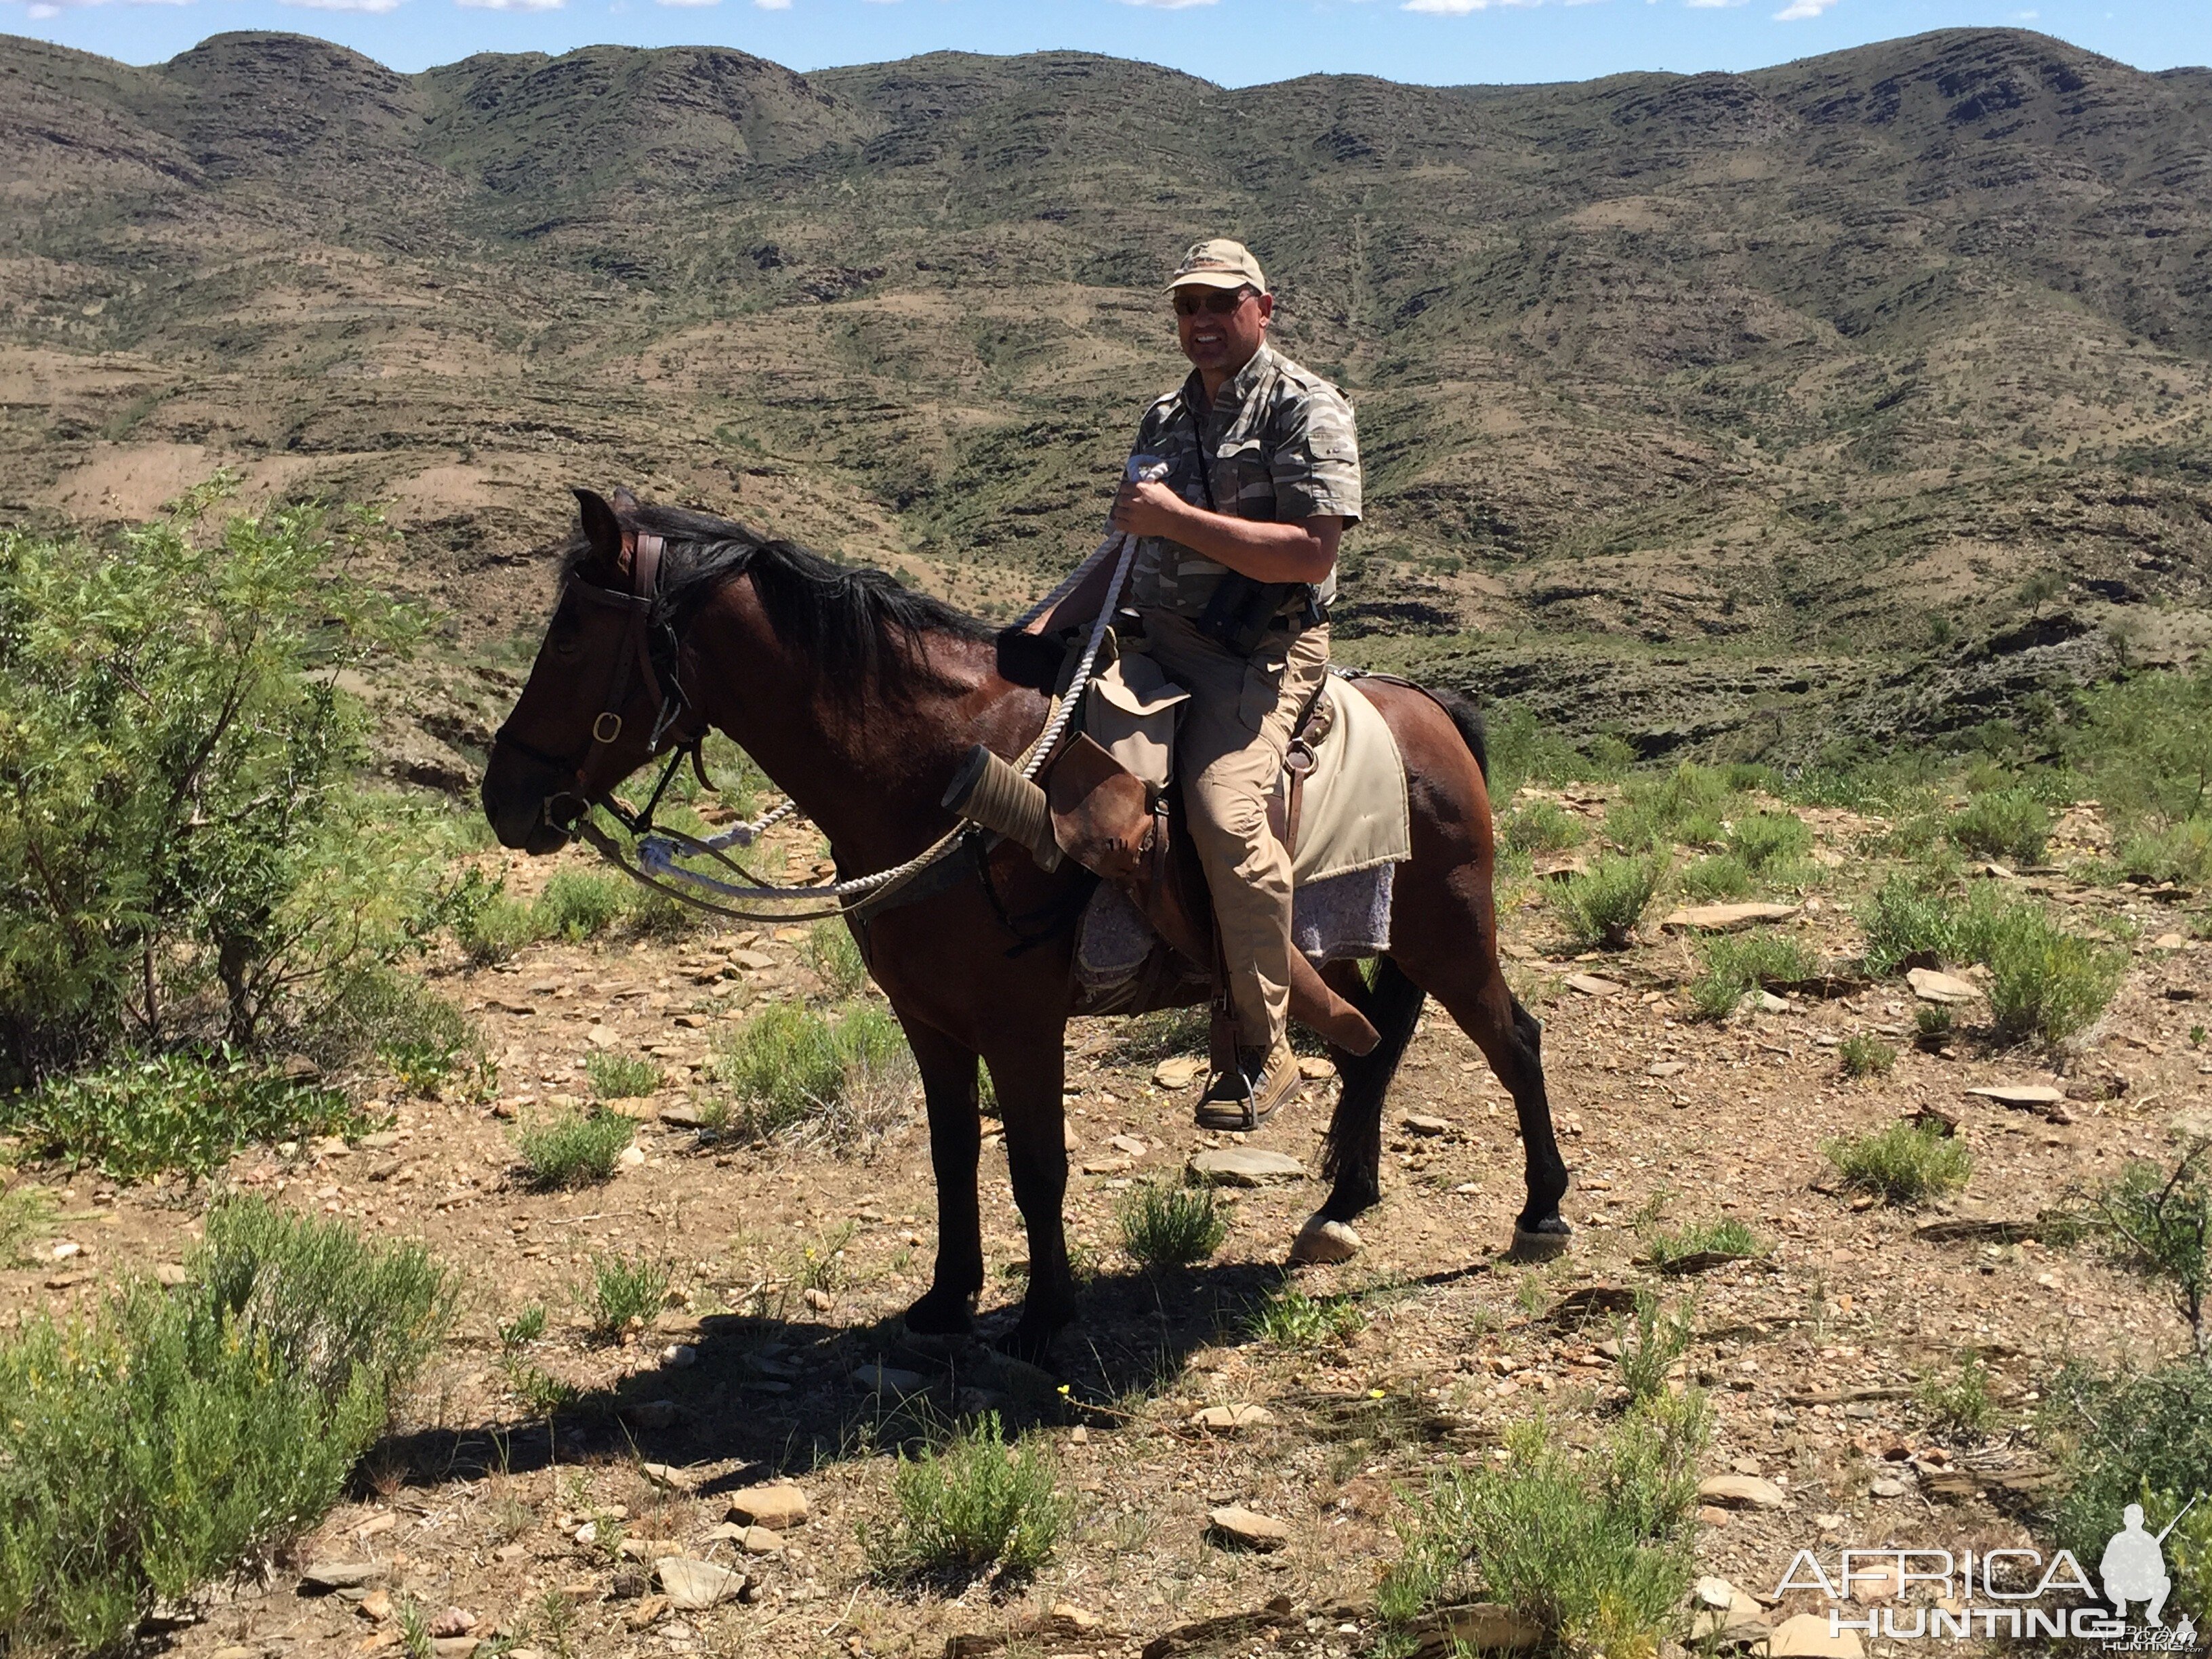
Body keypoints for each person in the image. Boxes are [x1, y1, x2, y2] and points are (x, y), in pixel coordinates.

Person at [1106, 237, 1362, 1130]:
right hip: (1153, 631)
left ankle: (1265, 1048)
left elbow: (1311, 551)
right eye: (1188, 307)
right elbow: (1129, 540)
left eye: (1221, 303)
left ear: (1264, 305)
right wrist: (1037, 628)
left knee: (1224, 814)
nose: (1202, 321)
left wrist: (1179, 518)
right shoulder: (1164, 416)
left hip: (1260, 651)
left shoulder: (1305, 408)